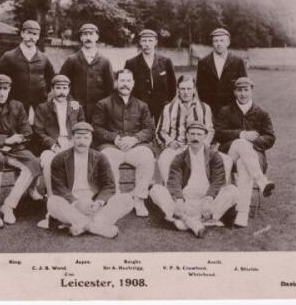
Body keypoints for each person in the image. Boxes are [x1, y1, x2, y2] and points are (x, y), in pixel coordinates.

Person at [0, 74, 42, 228]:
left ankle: (9, 206)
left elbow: (27, 131)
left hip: (13, 148)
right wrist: (5, 140)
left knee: (33, 163)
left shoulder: (17, 106)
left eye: (5, 89)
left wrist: (18, 139)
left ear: (10, 89)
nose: (2, 93)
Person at [149, 121, 239, 237]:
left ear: (205, 137)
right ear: (187, 136)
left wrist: (209, 198)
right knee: (155, 190)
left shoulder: (214, 157)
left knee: (233, 190)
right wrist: (179, 200)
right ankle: (192, 221)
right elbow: (174, 180)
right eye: (192, 134)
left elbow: (218, 181)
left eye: (199, 134)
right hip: (185, 202)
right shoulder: (180, 157)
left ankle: (184, 220)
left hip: (206, 203)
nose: (195, 138)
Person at [47, 122, 134, 238]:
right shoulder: (59, 159)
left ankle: (81, 224)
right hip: (72, 204)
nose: (82, 142)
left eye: (86, 138)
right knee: (52, 202)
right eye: (78, 137)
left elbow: (109, 185)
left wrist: (99, 202)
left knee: (127, 199)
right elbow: (59, 188)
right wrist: (76, 203)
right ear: (72, 139)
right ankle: (96, 227)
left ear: (91, 139)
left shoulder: (100, 157)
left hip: (94, 204)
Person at [92, 69, 156, 217]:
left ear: (133, 84)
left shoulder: (142, 105)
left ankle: (139, 199)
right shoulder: (103, 104)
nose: (125, 84)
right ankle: (116, 198)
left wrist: (135, 138)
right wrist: (114, 138)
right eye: (122, 81)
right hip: (112, 146)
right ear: (116, 83)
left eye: (128, 81)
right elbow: (96, 128)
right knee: (107, 157)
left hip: (135, 147)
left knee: (147, 157)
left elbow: (149, 129)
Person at [214, 77, 276, 227]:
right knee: (241, 142)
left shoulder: (261, 113)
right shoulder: (225, 110)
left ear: (251, 91)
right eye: (239, 90)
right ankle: (261, 181)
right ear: (234, 92)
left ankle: (242, 214)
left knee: (243, 164)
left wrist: (253, 141)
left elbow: (270, 138)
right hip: (229, 155)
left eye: (246, 90)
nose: (243, 94)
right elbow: (219, 133)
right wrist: (242, 134)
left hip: (254, 157)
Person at [156, 75, 214, 184]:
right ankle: (170, 190)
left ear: (194, 90)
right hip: (176, 147)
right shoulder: (169, 108)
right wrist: (170, 142)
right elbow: (160, 131)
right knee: (163, 160)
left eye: (189, 88)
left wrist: (204, 144)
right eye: (182, 89)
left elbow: (210, 130)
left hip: (197, 146)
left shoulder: (204, 108)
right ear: (178, 89)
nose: (186, 92)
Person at [34, 74, 85, 196]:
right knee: (48, 160)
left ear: (68, 89)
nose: (62, 92)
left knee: (81, 160)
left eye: (64, 88)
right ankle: (51, 197)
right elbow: (38, 131)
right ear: (52, 89)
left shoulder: (76, 107)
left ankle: (77, 196)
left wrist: (76, 142)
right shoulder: (43, 108)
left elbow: (83, 128)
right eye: (58, 88)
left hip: (73, 143)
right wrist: (53, 145)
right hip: (52, 145)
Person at [0, 19, 55, 121]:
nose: (31, 37)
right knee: (18, 133)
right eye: (28, 33)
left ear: (38, 36)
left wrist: (43, 92)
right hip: (16, 103)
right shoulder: (9, 56)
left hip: (39, 104)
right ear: (22, 33)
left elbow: (50, 78)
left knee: (38, 132)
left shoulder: (44, 57)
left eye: (35, 34)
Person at [60, 23, 115, 120]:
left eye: (91, 34)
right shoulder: (72, 60)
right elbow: (61, 83)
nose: (88, 37)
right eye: (85, 34)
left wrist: (105, 106)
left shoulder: (105, 61)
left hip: (99, 109)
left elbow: (110, 88)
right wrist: (71, 100)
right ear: (81, 38)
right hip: (75, 108)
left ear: (97, 37)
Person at [124, 29, 177, 123]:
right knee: (141, 133)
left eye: (150, 40)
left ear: (155, 42)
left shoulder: (166, 62)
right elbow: (126, 85)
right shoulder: (131, 63)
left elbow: (172, 85)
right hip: (139, 107)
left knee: (161, 131)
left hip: (161, 106)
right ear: (140, 42)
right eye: (144, 40)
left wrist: (167, 102)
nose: (147, 44)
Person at [196, 28, 248, 114]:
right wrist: (207, 107)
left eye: (221, 40)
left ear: (228, 42)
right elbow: (200, 87)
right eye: (215, 41)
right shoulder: (203, 62)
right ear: (212, 43)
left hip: (233, 109)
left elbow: (244, 85)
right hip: (211, 110)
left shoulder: (238, 61)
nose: (219, 44)